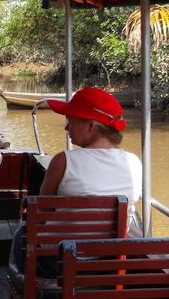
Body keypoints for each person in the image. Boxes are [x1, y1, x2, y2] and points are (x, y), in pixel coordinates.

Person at [11, 86, 142, 276]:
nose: (66, 127)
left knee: (21, 234)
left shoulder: (63, 161)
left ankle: (18, 290)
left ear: (91, 126)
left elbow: (41, 214)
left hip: (55, 264)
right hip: (107, 264)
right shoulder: (134, 162)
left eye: (70, 121)